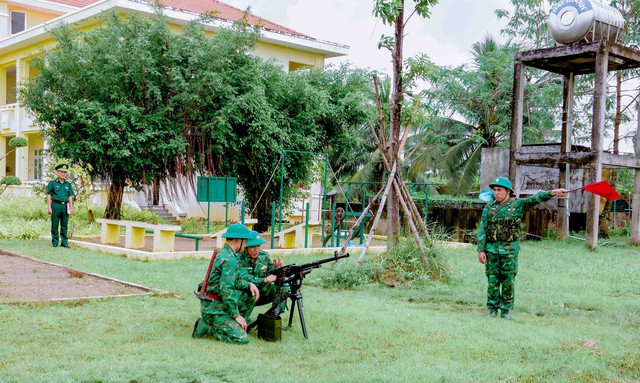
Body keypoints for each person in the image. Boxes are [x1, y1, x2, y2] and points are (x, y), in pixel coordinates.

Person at [476, 177, 566, 320]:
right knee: (492, 280)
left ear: (508, 191)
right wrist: (481, 250)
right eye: (494, 190)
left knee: (508, 281)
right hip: (492, 249)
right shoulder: (489, 207)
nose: (496, 193)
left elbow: (535, 199)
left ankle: (505, 311)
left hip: (510, 250)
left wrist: (553, 192)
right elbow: (483, 228)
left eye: (499, 190)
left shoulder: (518, 205)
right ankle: (492, 310)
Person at [192, 223, 276, 344]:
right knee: (242, 338)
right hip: (214, 307)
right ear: (238, 240)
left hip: (215, 302)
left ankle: (233, 323)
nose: (246, 244)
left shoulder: (226, 253)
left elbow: (235, 279)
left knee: (249, 293)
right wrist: (236, 315)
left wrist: (249, 285)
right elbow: (226, 290)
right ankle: (207, 326)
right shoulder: (229, 259)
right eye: (245, 241)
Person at [238, 231, 285, 308]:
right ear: (246, 247)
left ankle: (273, 316)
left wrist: (279, 269)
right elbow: (245, 277)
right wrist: (264, 280)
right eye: (253, 247)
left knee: (284, 287)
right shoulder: (239, 258)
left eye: (258, 246)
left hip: (263, 291)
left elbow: (272, 273)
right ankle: (242, 317)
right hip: (247, 293)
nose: (256, 250)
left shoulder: (265, 256)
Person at [46, 163, 75, 248]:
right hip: (55, 205)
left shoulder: (68, 185)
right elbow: (49, 196)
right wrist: (49, 207)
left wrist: (71, 207)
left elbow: (70, 197)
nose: (63, 174)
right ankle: (55, 242)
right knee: (55, 224)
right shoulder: (52, 183)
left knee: (64, 225)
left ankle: (64, 242)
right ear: (57, 173)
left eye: (65, 172)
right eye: (61, 172)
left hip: (65, 206)